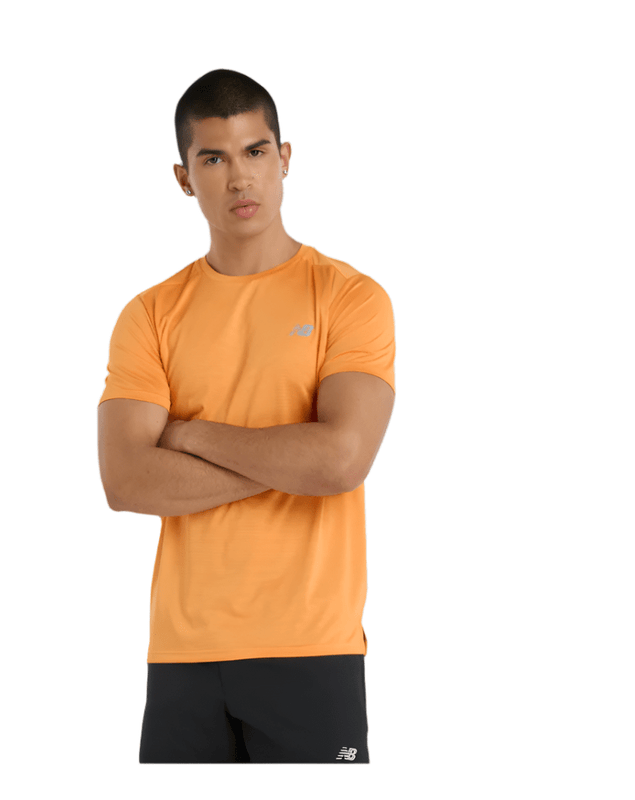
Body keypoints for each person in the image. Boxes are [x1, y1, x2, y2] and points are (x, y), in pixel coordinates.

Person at [97, 68, 396, 763]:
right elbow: (126, 481)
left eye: (255, 151)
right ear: (183, 178)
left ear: (284, 158)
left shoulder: (349, 298)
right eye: (213, 159)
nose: (239, 178)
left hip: (311, 647)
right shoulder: (150, 315)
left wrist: (191, 435)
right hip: (183, 654)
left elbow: (342, 461)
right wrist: (296, 461)